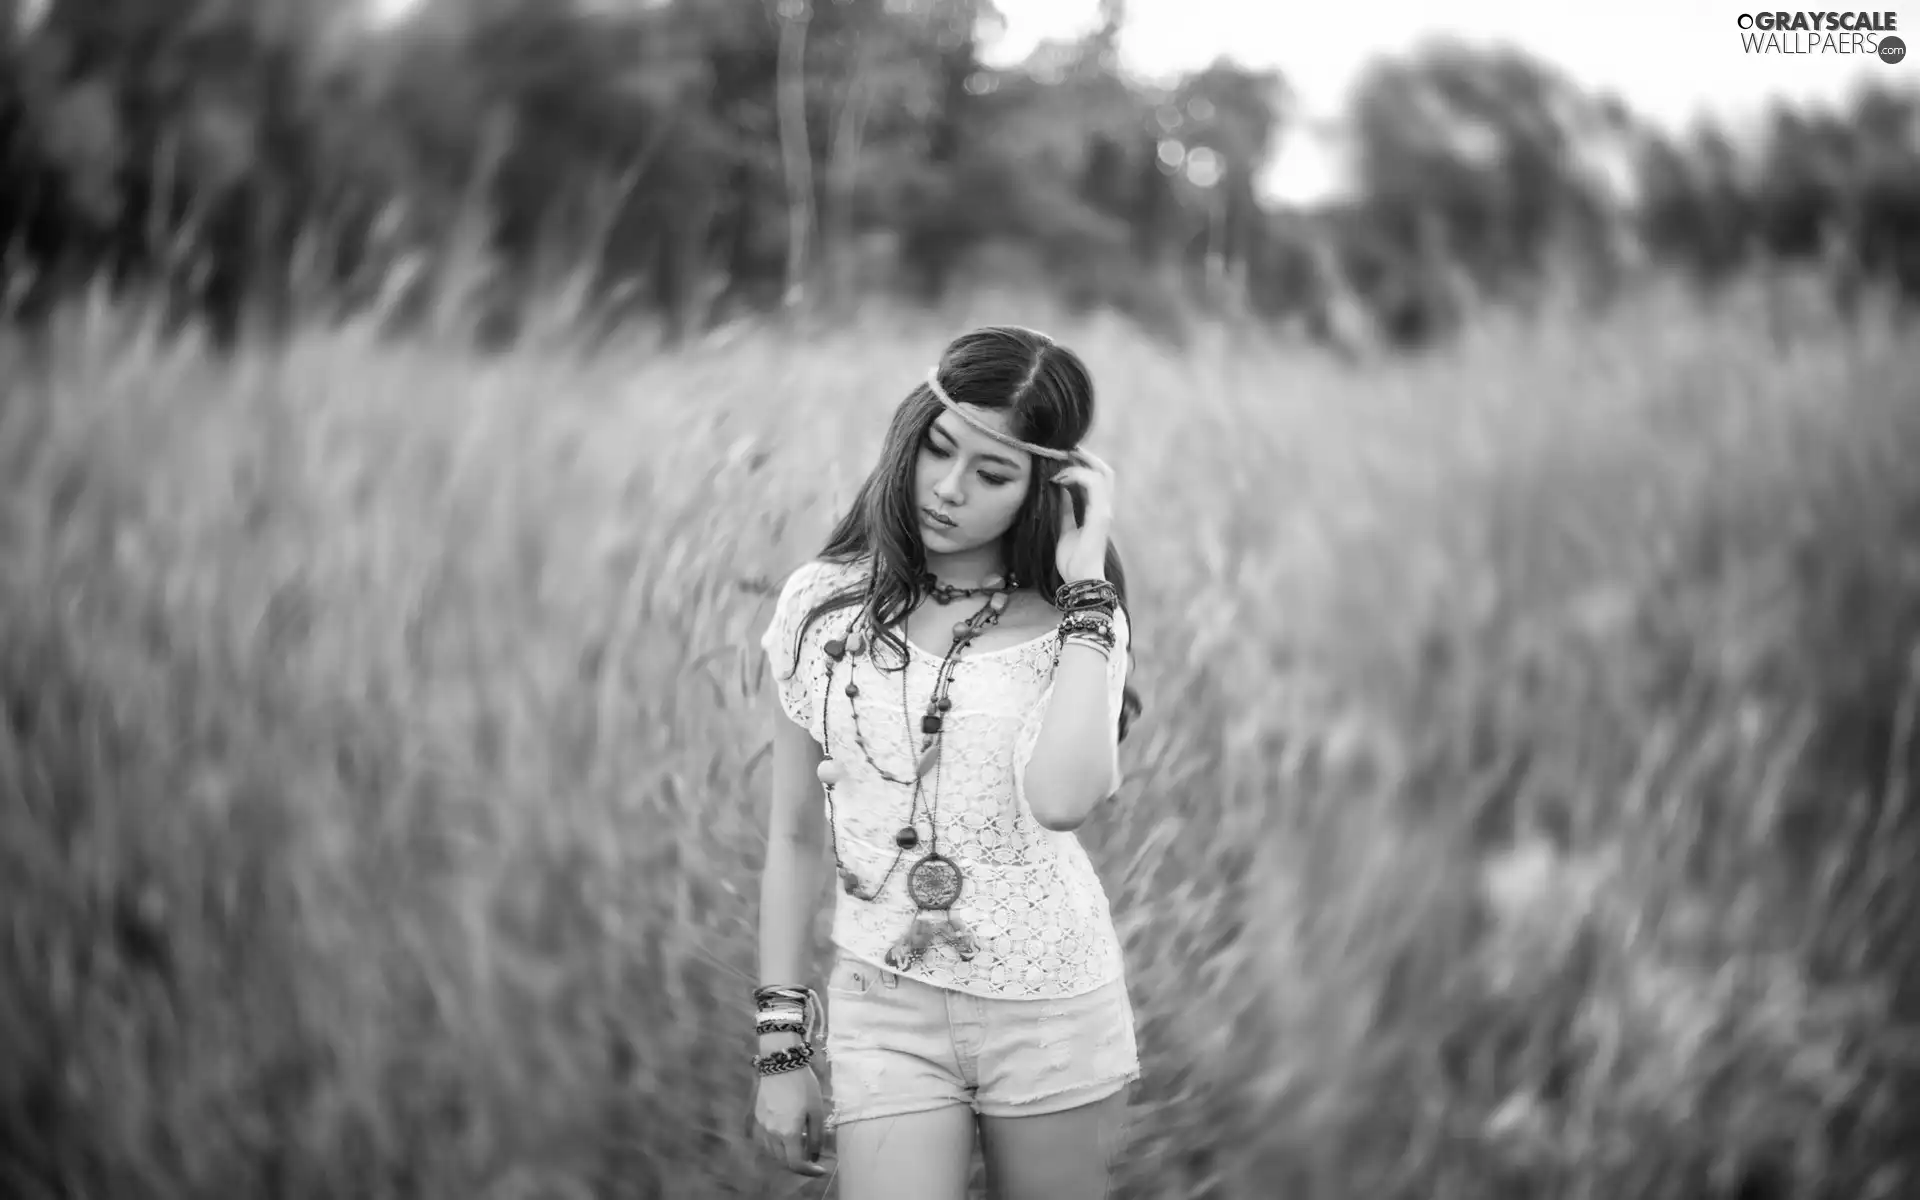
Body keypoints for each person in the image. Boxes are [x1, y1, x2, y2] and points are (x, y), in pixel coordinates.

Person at [749, 325, 1146, 1200]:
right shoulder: (825, 607)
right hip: (882, 1003)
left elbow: (1064, 798)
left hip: (1049, 1002)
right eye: (938, 449)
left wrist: (1088, 592)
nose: (949, 489)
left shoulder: (1077, 619)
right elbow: (791, 832)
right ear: (911, 436)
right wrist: (780, 1043)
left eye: (993, 473)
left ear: (1042, 485)